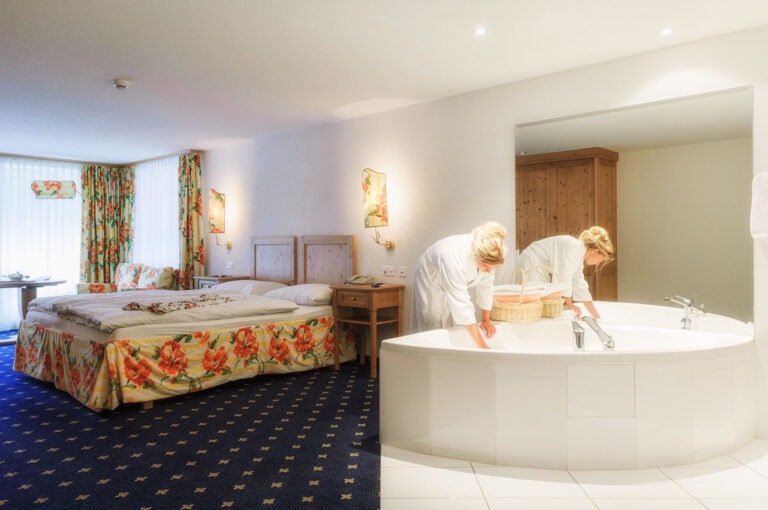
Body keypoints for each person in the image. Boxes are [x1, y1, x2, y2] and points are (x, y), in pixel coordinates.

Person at [411, 221, 507, 349]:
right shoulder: (455, 258)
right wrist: (483, 347)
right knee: (432, 319)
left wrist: (486, 321)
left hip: (449, 271)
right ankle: (429, 357)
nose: (489, 271)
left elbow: (486, 289)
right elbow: (462, 305)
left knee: (452, 322)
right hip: (430, 277)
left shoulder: (490, 255)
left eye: (492, 268)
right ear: (475, 255)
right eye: (486, 267)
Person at [516, 226, 614, 319]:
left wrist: (596, 317)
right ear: (595, 251)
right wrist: (570, 304)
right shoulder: (573, 246)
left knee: (539, 300)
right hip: (532, 258)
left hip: (540, 263)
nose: (598, 264)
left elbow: (580, 286)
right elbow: (563, 275)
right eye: (601, 260)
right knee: (533, 299)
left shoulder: (579, 257)